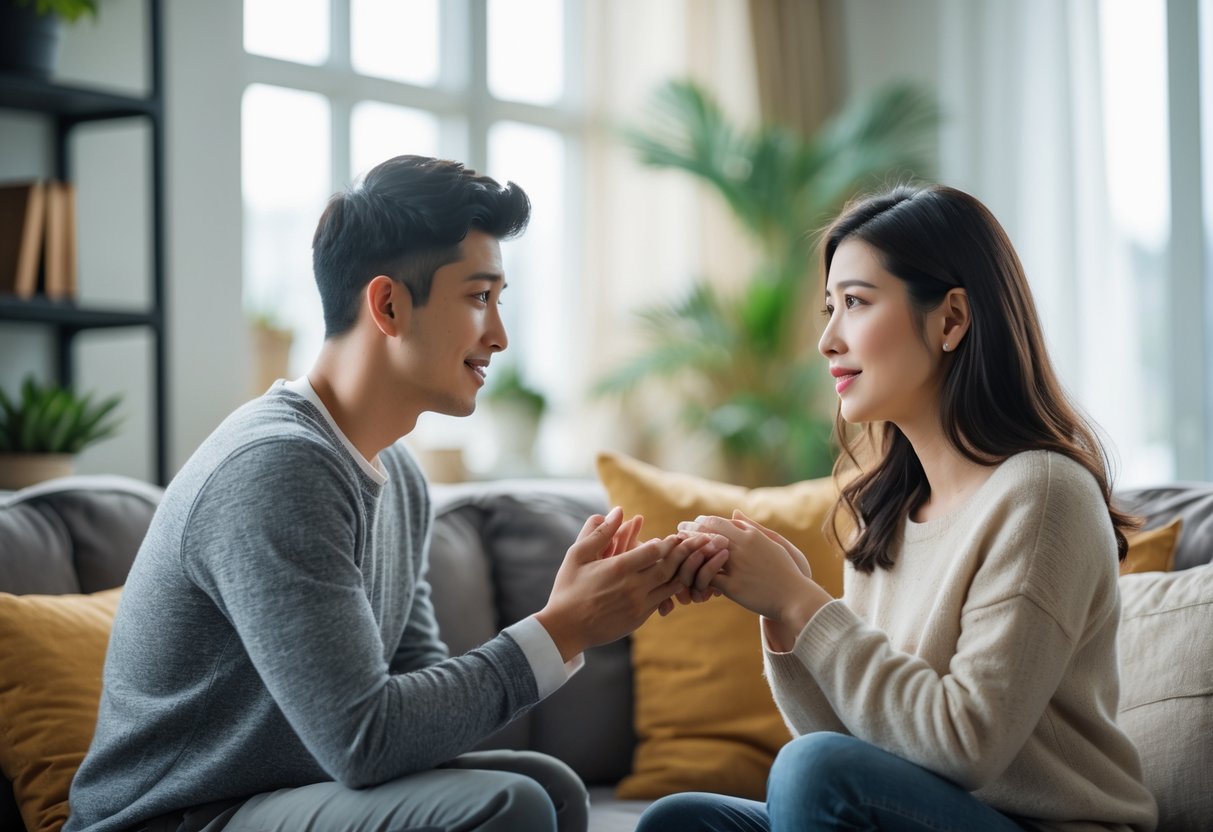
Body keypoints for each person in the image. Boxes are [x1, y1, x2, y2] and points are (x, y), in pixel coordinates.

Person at [65, 155, 724, 832]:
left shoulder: (397, 476)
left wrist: (579, 614)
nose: (498, 335)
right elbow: (366, 741)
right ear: (386, 305)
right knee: (512, 803)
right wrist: (562, 629)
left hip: (280, 794)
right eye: (477, 297)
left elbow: (416, 715)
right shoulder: (277, 468)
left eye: (499, 301)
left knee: (547, 786)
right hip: (174, 818)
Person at [641, 184, 1158, 831]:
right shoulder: (885, 506)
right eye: (829, 308)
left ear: (950, 319)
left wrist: (804, 605)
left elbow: (963, 746)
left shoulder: (1041, 493)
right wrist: (781, 614)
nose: (827, 339)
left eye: (854, 303)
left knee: (812, 772)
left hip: (1041, 825)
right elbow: (859, 741)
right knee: (684, 820)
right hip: (926, 813)